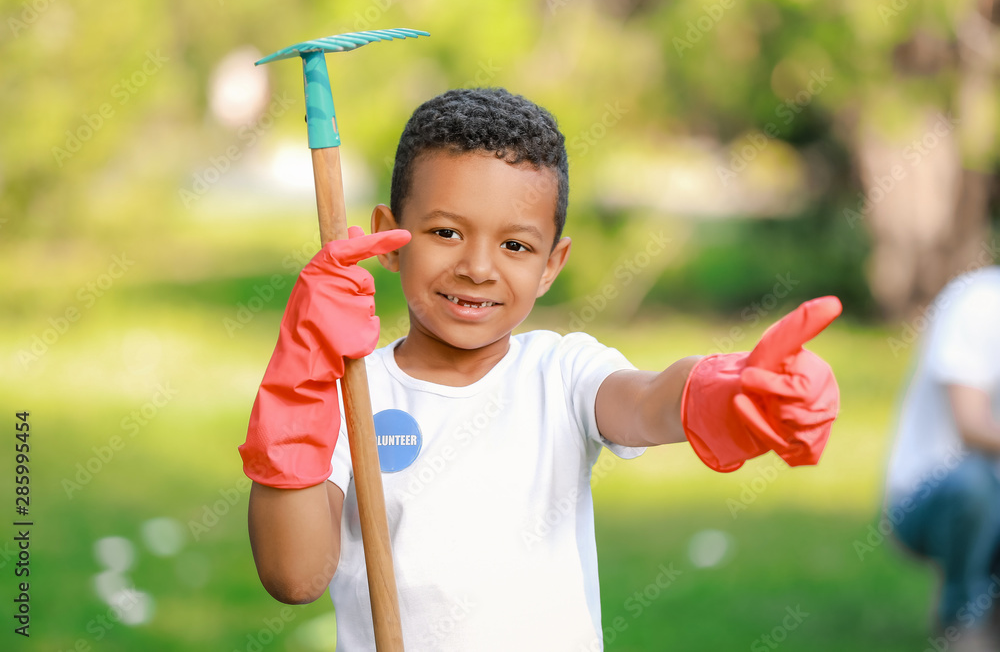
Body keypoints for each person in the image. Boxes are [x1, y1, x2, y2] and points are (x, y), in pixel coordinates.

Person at [239, 88, 842, 651]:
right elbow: (293, 575)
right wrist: (299, 382)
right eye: (446, 232)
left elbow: (652, 401)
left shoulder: (562, 373)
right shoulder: (345, 393)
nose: (477, 267)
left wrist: (726, 389)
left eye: (516, 246)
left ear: (553, 264)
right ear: (389, 239)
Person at [885, 265, 1000, 650]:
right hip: (930, 496)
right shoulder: (979, 301)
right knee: (973, 484)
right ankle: (961, 618)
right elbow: (973, 426)